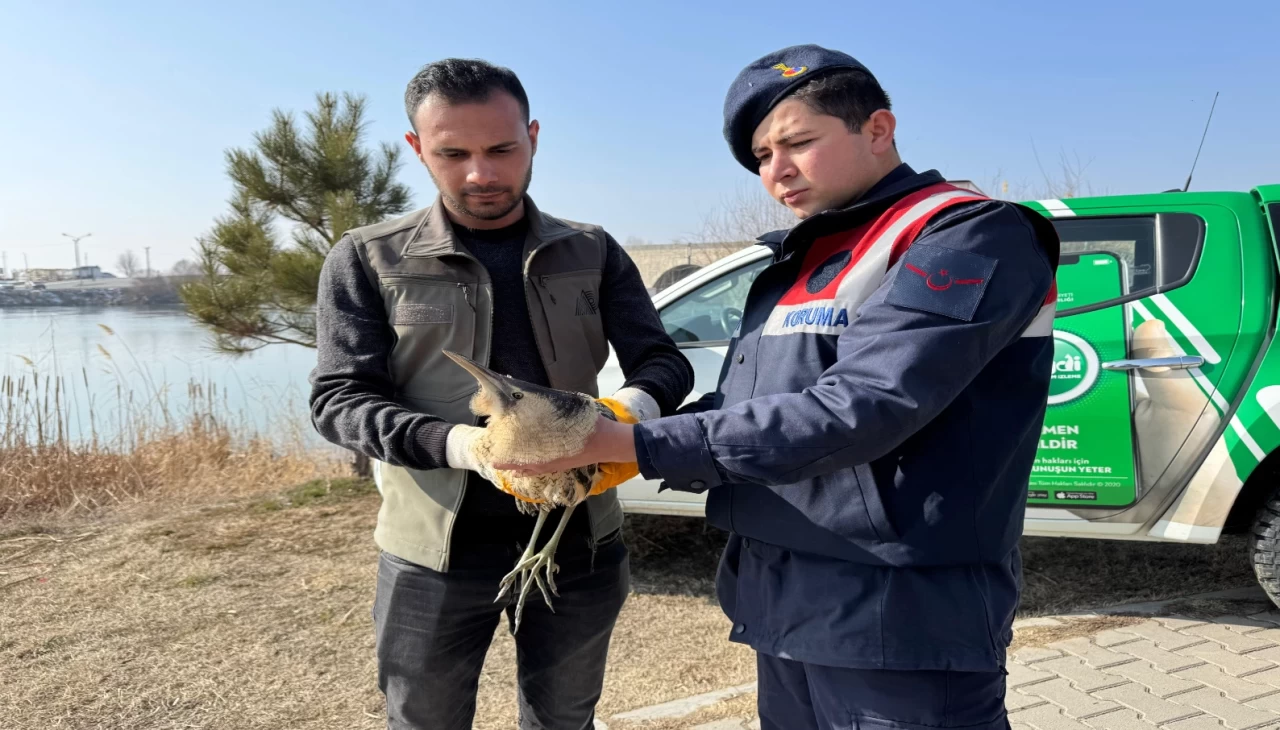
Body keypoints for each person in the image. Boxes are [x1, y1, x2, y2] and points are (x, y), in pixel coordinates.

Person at [501, 44, 1060, 728]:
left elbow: (862, 407)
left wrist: (637, 444)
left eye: (797, 142)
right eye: (762, 157)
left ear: (878, 130)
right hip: (784, 597)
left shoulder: (964, 235)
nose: (777, 172)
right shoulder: (805, 257)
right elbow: (754, 409)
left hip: (899, 612)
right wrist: (612, 444)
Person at [308, 57, 694, 730]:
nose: (480, 174)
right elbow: (340, 398)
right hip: (431, 548)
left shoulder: (593, 251)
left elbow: (662, 360)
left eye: (501, 149)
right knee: (424, 719)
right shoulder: (368, 258)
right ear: (415, 148)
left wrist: (624, 413)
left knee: (563, 719)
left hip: (579, 536)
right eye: (452, 153)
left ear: (534, 137)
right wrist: (467, 447)